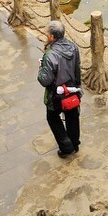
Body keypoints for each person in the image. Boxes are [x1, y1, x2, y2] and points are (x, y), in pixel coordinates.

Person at [37, 20, 82, 158]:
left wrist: (41, 68)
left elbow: (45, 80)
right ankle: (74, 143)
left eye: (47, 33)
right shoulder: (73, 47)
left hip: (56, 95)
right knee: (72, 116)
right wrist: (77, 88)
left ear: (52, 37)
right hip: (72, 91)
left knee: (52, 118)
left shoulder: (50, 55)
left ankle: (66, 146)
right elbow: (77, 69)